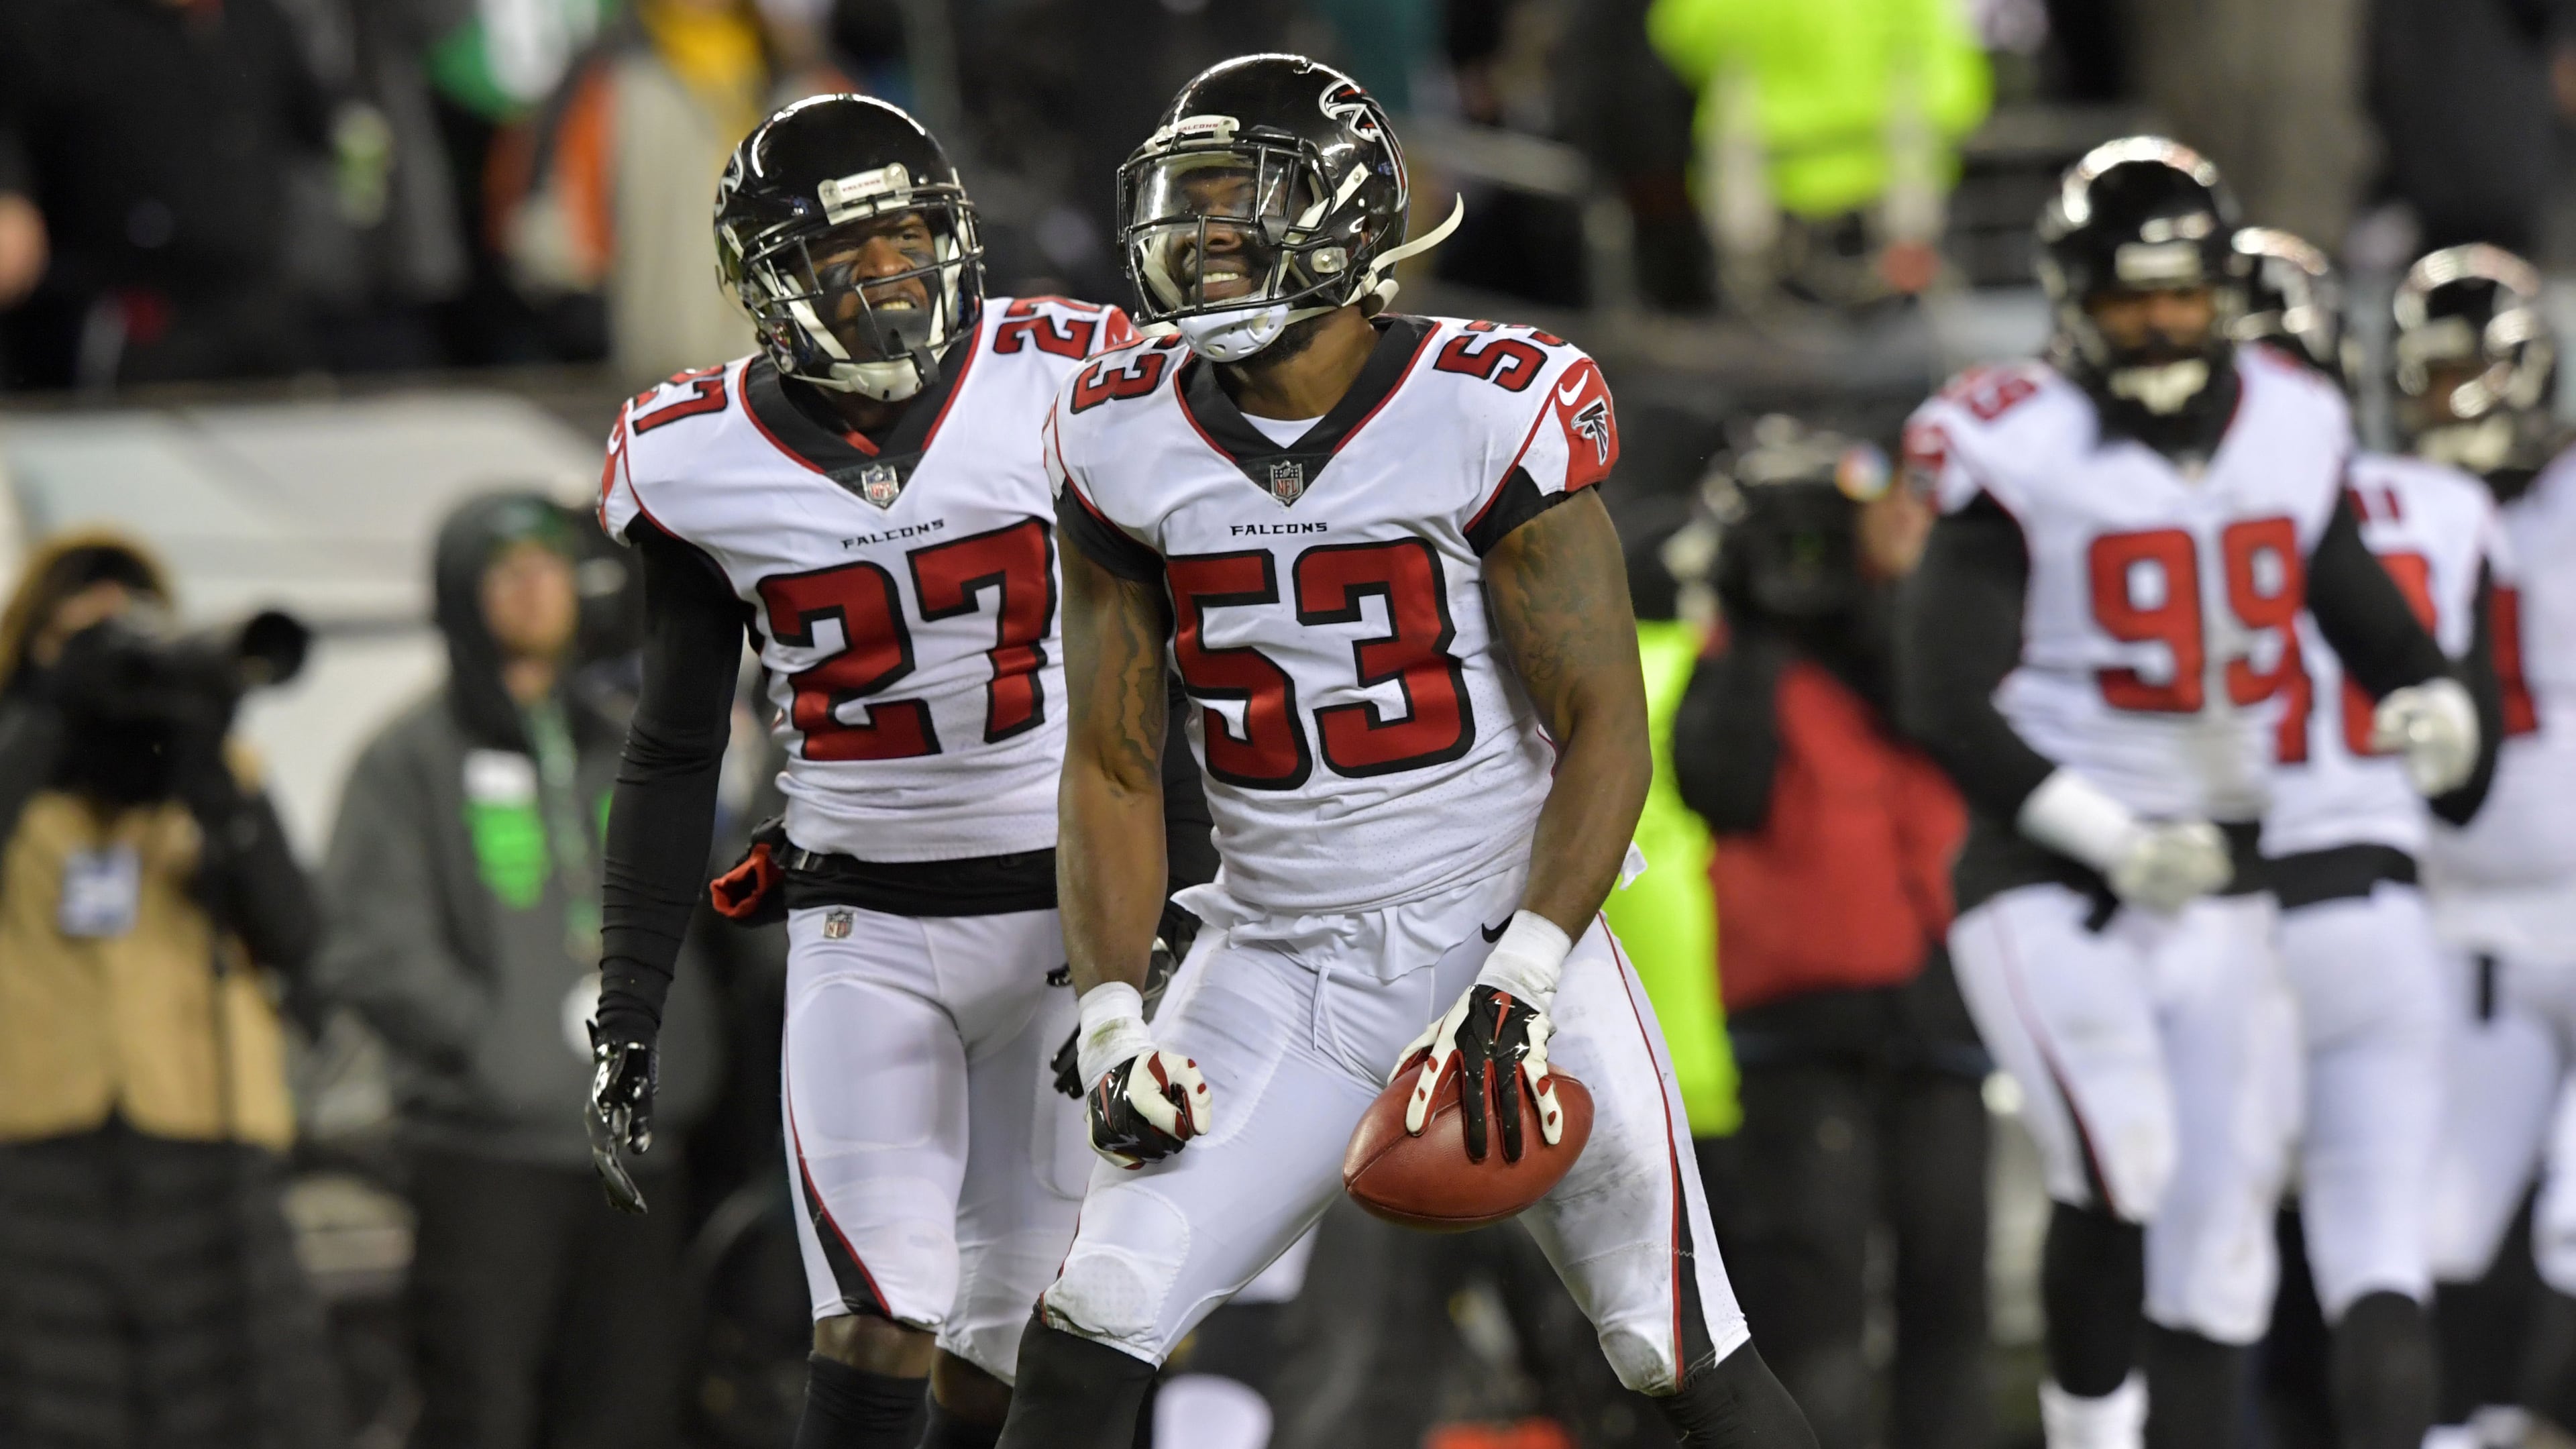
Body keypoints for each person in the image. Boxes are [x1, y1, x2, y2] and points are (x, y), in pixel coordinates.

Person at [1001, 54, 1816, 1448]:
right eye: (1185, 204)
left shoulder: (1486, 405)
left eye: (1239, 202)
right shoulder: (1118, 430)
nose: (1202, 238)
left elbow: (1607, 729)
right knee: (1090, 1326)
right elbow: (1115, 762)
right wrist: (1113, 1012)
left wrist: (1526, 975)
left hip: (1495, 938)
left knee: (1675, 1352)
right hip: (1274, 961)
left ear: (1341, 221)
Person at [582, 93, 1210, 1449]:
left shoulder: (1069, 373)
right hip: (865, 925)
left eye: (912, 237)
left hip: (1072, 918)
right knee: (875, 1314)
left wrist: (1188, 898)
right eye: (844, 255)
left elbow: (1173, 667)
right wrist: (630, 1000)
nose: (890, 276)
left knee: (1025, 1332)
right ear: (767, 278)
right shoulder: (692, 459)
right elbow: (675, 746)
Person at [1894, 138, 2477, 1449]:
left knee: (2216, 1241)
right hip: (2047, 873)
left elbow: (2363, 612)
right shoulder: (2018, 443)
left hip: (2226, 874)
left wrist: (2431, 692)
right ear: (2071, 299)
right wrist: (2105, 832)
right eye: (2128, 297)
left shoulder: (2290, 421)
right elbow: (1939, 694)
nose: (2158, 324)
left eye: (2180, 295)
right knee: (2121, 1158)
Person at [311, 492, 724, 1449]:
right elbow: (367, 944)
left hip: (640, 1151)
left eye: (550, 567)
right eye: (507, 573)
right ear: (460, 598)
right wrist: (494, 1045)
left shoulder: (638, 742)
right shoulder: (408, 759)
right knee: (483, 1415)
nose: (538, 591)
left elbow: (711, 901)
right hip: (491, 1158)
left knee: (630, 1415)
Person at [2229, 228, 2505, 1449]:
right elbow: (2465, 778)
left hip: (2221, 914)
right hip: (2380, 910)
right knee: (2378, 1260)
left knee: (2194, 1265)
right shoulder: (2443, 508)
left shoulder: (2159, 506)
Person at [1671, 419, 1989, 1449]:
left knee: (1950, 1290)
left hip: (1939, 1001)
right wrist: (1746, 614)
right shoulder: (1742, 658)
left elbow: (1958, 726)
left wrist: (1893, 589)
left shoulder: (1913, 636)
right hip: (1801, 1021)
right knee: (1815, 1300)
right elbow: (1716, 784)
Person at [0, 533, 339, 1448]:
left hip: (206, 1143)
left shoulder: (212, 774)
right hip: (39, 1161)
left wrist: (209, 774)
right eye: (84, 642)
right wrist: (45, 727)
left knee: (248, 1410)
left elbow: (299, 938)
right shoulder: (18, 771)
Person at [2400, 245, 2576, 1448]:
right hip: (2463, 919)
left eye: (2479, 373)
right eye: (2436, 376)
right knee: (2442, 1223)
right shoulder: (2372, 502)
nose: (2457, 401)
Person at [0, 0, 336, 387]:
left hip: (259, 301)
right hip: (138, 309)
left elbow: (324, 120)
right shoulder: (58, 21)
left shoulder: (257, 19)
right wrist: (11, 194)